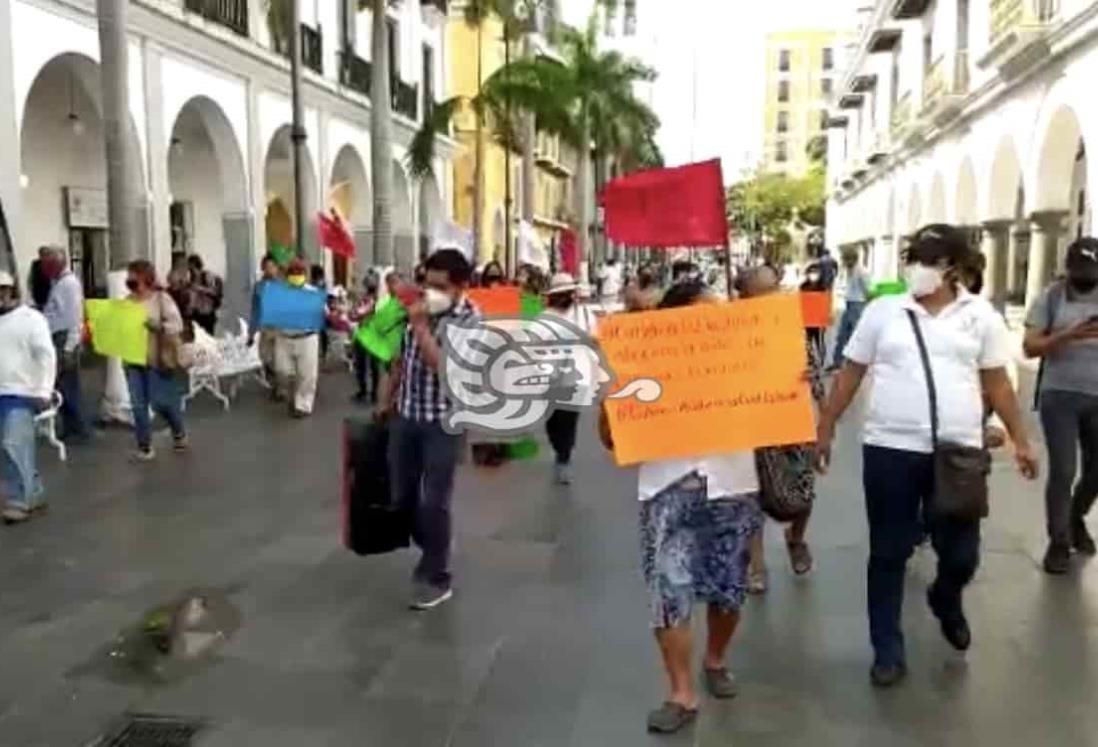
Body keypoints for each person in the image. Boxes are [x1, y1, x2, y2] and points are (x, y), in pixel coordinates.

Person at [815, 224, 1038, 688]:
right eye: (913, 257)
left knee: (961, 553)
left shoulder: (980, 316)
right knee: (888, 551)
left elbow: (997, 381)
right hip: (889, 449)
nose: (917, 268)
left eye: (929, 260)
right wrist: (826, 424)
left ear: (954, 267)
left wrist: (1020, 438)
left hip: (957, 452)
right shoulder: (884, 312)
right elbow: (851, 372)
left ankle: (946, 596)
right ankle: (887, 650)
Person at [597, 278, 762, 734]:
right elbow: (610, 437)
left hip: (731, 484)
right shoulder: (647, 364)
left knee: (729, 590)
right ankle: (681, 691)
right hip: (666, 487)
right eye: (704, 312)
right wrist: (620, 395)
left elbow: (778, 413)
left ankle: (715, 659)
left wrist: (789, 384)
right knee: (669, 593)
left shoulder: (744, 359)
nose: (716, 320)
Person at [381, 248, 478, 611]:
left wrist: (421, 327)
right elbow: (398, 359)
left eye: (440, 286)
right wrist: (385, 400)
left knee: (435, 500)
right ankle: (437, 543)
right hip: (406, 415)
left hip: (444, 421)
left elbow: (445, 369)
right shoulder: (415, 307)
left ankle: (436, 575)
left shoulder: (470, 320)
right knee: (401, 498)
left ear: (460, 288)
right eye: (426, 282)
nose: (430, 291)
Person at [741, 265, 826, 592]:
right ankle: (757, 565)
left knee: (803, 494)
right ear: (746, 297)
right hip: (752, 423)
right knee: (751, 496)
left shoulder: (792, 327)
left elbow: (814, 369)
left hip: (794, 421)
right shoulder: (733, 331)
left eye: (774, 290)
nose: (771, 299)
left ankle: (796, 537)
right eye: (762, 293)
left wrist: (825, 418)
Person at [1023, 237, 1098, 574]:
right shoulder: (1051, 297)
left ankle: (1075, 516)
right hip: (1060, 396)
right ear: (1069, 268)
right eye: (1081, 269)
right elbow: (1030, 347)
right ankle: (1058, 541)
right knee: (1064, 470)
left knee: (1096, 472)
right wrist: (1069, 335)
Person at [0, 271, 56, 524]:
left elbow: (46, 355)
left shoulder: (31, 320)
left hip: (23, 393)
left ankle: (19, 499)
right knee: (9, 448)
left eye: (3, 290)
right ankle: (34, 492)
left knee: (13, 443)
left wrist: (44, 389)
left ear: (12, 291)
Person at [123, 260, 189, 461]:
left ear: (146, 278)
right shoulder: (126, 302)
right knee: (138, 405)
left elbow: (177, 325)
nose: (130, 280)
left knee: (160, 402)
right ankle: (144, 446)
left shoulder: (161, 299)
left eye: (134, 276)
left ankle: (178, 431)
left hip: (157, 359)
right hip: (133, 360)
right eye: (129, 276)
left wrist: (158, 326)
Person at [541, 272, 596, 485]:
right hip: (550, 375)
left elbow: (595, 339)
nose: (565, 297)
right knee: (553, 419)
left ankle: (564, 457)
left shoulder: (584, 315)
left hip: (577, 374)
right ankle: (559, 448)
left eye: (568, 293)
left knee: (569, 418)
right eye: (560, 294)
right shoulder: (545, 317)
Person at [40, 246, 88, 442]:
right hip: (57, 337)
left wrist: (69, 348)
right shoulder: (58, 282)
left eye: (45, 263)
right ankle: (71, 426)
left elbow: (74, 318)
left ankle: (77, 427)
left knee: (67, 385)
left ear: (54, 264)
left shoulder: (68, 285)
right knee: (62, 384)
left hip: (63, 338)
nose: (42, 268)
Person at [274, 259, 322, 418]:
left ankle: (303, 405)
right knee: (282, 370)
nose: (296, 275)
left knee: (307, 374)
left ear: (304, 275)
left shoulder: (313, 292)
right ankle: (291, 394)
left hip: (307, 337)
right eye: (293, 273)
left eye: (299, 272)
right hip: (284, 337)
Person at [829, 248, 871, 371]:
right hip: (849, 304)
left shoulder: (862, 271)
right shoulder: (850, 270)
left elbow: (867, 291)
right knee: (842, 335)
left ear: (852, 259)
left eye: (845, 259)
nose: (843, 262)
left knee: (855, 336)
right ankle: (837, 362)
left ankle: (853, 366)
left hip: (857, 305)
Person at [250, 254, 281, 386]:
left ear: (277, 268)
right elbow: (255, 309)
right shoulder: (259, 286)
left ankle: (279, 388)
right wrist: (251, 331)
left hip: (280, 327)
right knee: (265, 357)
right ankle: (273, 381)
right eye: (267, 267)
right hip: (265, 327)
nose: (270, 270)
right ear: (263, 269)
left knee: (280, 360)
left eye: (272, 267)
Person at [350, 277, 379, 403]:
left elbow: (356, 314)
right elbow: (354, 315)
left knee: (372, 366)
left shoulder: (380, 301)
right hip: (364, 335)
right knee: (363, 366)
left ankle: (372, 392)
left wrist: (360, 313)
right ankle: (366, 391)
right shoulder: (363, 300)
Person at [801, 261, 829, 365]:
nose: (813, 275)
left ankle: (821, 360)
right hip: (807, 318)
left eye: (815, 272)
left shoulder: (822, 288)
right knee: (808, 340)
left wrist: (825, 318)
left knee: (819, 341)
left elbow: (826, 304)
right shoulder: (803, 287)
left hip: (819, 320)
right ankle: (810, 358)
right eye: (811, 272)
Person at [187, 254, 223, 334]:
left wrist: (200, 289)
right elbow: (193, 297)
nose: (189, 269)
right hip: (197, 313)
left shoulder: (207, 275)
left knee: (208, 337)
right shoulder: (192, 279)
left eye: (190, 266)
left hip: (207, 312)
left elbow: (214, 291)